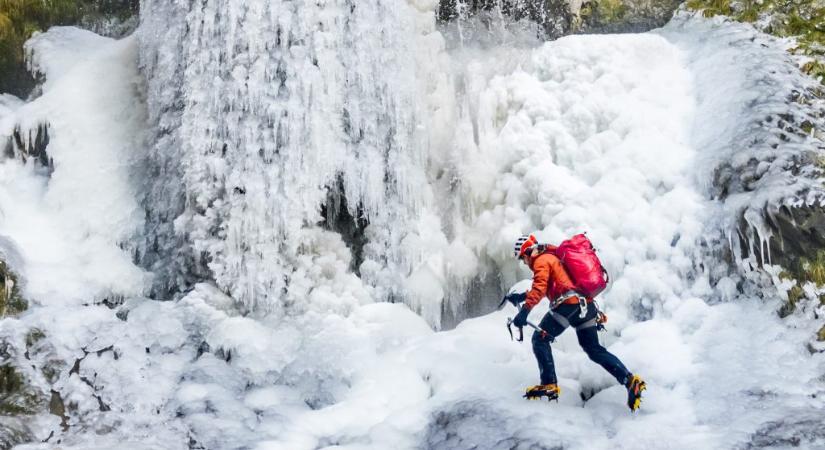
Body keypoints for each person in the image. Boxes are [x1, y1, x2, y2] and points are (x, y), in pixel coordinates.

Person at [510, 234, 646, 411]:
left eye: (522, 258)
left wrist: (525, 311)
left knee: (539, 339)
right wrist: (521, 297)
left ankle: (549, 384)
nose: (524, 262)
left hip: (567, 306)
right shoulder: (553, 257)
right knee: (594, 349)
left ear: (528, 252)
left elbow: (540, 287)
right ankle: (630, 381)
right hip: (586, 306)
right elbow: (550, 285)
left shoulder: (541, 259)